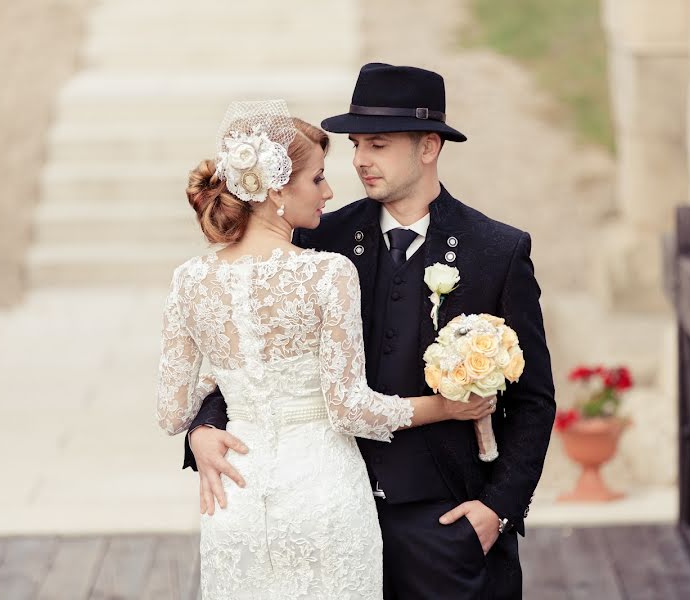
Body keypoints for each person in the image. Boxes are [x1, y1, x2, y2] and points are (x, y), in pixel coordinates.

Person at [187, 65, 556, 599]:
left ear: (429, 146)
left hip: (445, 523)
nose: (360, 159)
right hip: (326, 513)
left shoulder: (495, 251)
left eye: (378, 144)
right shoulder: (318, 238)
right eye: (356, 143)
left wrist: (497, 510)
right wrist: (203, 428)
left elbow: (534, 400)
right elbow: (250, 345)